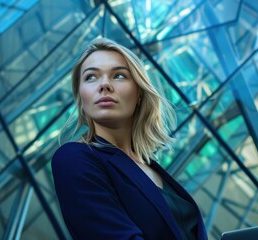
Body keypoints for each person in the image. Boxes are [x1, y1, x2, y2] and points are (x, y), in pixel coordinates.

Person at [51, 37, 208, 240]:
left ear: (140, 93)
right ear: (81, 97)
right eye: (91, 77)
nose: (104, 85)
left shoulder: (151, 166)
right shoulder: (73, 158)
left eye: (118, 75)